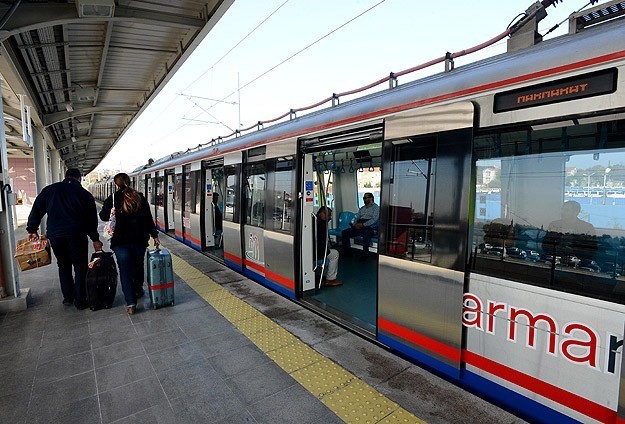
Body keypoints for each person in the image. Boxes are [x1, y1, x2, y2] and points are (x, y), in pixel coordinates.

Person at [26, 168, 103, 309]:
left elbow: (36, 209)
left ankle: (68, 297)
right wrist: (95, 239)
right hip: (77, 235)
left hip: (55, 236)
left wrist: (32, 229)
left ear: (66, 176)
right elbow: (91, 220)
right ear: (79, 179)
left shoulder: (50, 190)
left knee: (63, 264)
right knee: (80, 267)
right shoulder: (84, 194)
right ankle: (80, 300)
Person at [100, 173, 159, 314]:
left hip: (120, 242)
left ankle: (131, 303)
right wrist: (154, 235)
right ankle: (138, 289)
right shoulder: (139, 197)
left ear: (116, 185)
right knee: (138, 266)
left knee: (125, 270)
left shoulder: (113, 198)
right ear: (130, 182)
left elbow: (103, 216)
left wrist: (111, 211)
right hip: (139, 240)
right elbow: (148, 218)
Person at [543, 200, 597, 264]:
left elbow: (591, 250)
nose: (563, 212)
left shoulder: (587, 227)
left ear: (576, 212)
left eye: (566, 210)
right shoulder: (554, 225)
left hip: (578, 263)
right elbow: (545, 245)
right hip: (555, 261)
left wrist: (573, 250)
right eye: (562, 209)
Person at [341, 192, 380, 261]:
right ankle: (347, 252)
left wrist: (363, 225)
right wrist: (355, 224)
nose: (364, 199)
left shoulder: (376, 208)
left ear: (371, 198)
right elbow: (357, 217)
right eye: (363, 198)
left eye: (365, 198)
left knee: (366, 233)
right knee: (345, 232)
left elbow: (374, 220)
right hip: (359, 225)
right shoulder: (362, 208)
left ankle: (365, 253)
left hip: (370, 227)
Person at [316, 207, 342, 286]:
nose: (330, 218)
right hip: (317, 252)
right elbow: (320, 243)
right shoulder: (321, 225)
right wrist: (326, 251)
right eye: (329, 215)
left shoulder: (314, 221)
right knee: (335, 254)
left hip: (313, 250)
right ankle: (331, 279)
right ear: (322, 214)